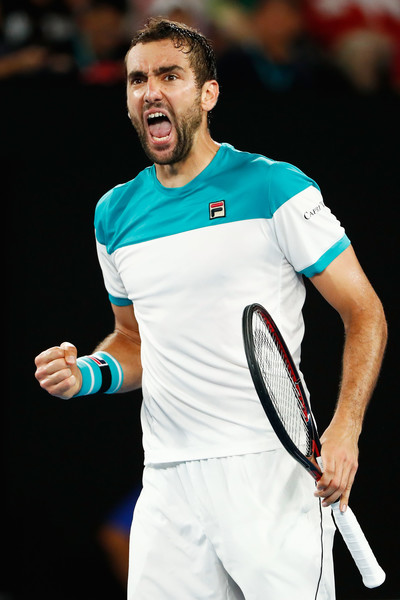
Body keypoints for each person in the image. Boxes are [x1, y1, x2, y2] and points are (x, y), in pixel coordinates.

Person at [34, 17, 387, 600]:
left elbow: (364, 312)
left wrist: (345, 431)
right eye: (136, 79)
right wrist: (88, 374)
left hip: (269, 473)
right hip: (169, 482)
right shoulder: (114, 215)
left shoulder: (275, 187)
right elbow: (133, 338)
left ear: (208, 93)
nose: (149, 90)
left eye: (169, 75)